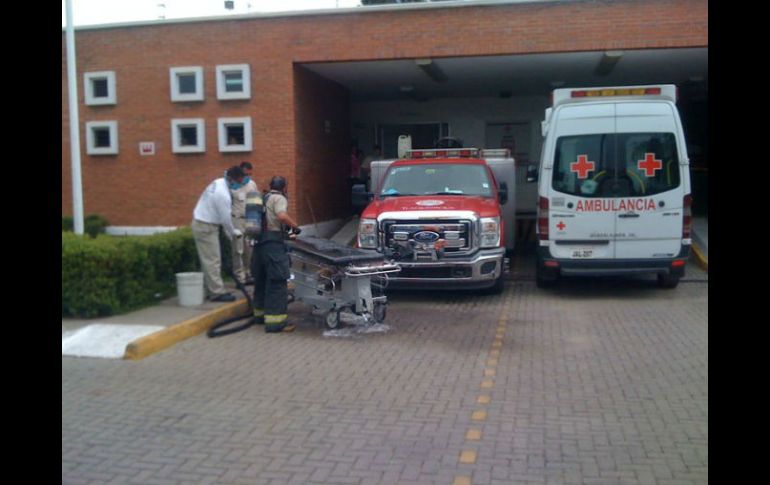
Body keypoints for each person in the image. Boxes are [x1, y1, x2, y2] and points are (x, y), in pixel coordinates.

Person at [251, 175, 302, 333]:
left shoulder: (263, 197)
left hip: (259, 245)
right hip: (273, 246)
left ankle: (259, 316)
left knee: (261, 281)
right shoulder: (278, 198)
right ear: (284, 187)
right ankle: (276, 323)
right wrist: (295, 226)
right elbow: (281, 216)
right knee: (277, 282)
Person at [191, 166, 246, 302]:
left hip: (203, 222)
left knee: (209, 260)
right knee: (213, 260)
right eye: (240, 181)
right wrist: (233, 233)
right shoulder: (223, 195)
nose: (240, 184)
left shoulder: (218, 182)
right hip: (206, 226)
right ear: (233, 179)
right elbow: (226, 219)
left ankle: (209, 289)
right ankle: (216, 293)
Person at [230, 161, 259, 284]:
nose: (247, 177)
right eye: (245, 174)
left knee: (249, 249)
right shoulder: (231, 186)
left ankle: (248, 273)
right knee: (238, 249)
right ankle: (239, 277)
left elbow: (256, 202)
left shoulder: (252, 184)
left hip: (249, 220)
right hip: (236, 219)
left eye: (249, 174)